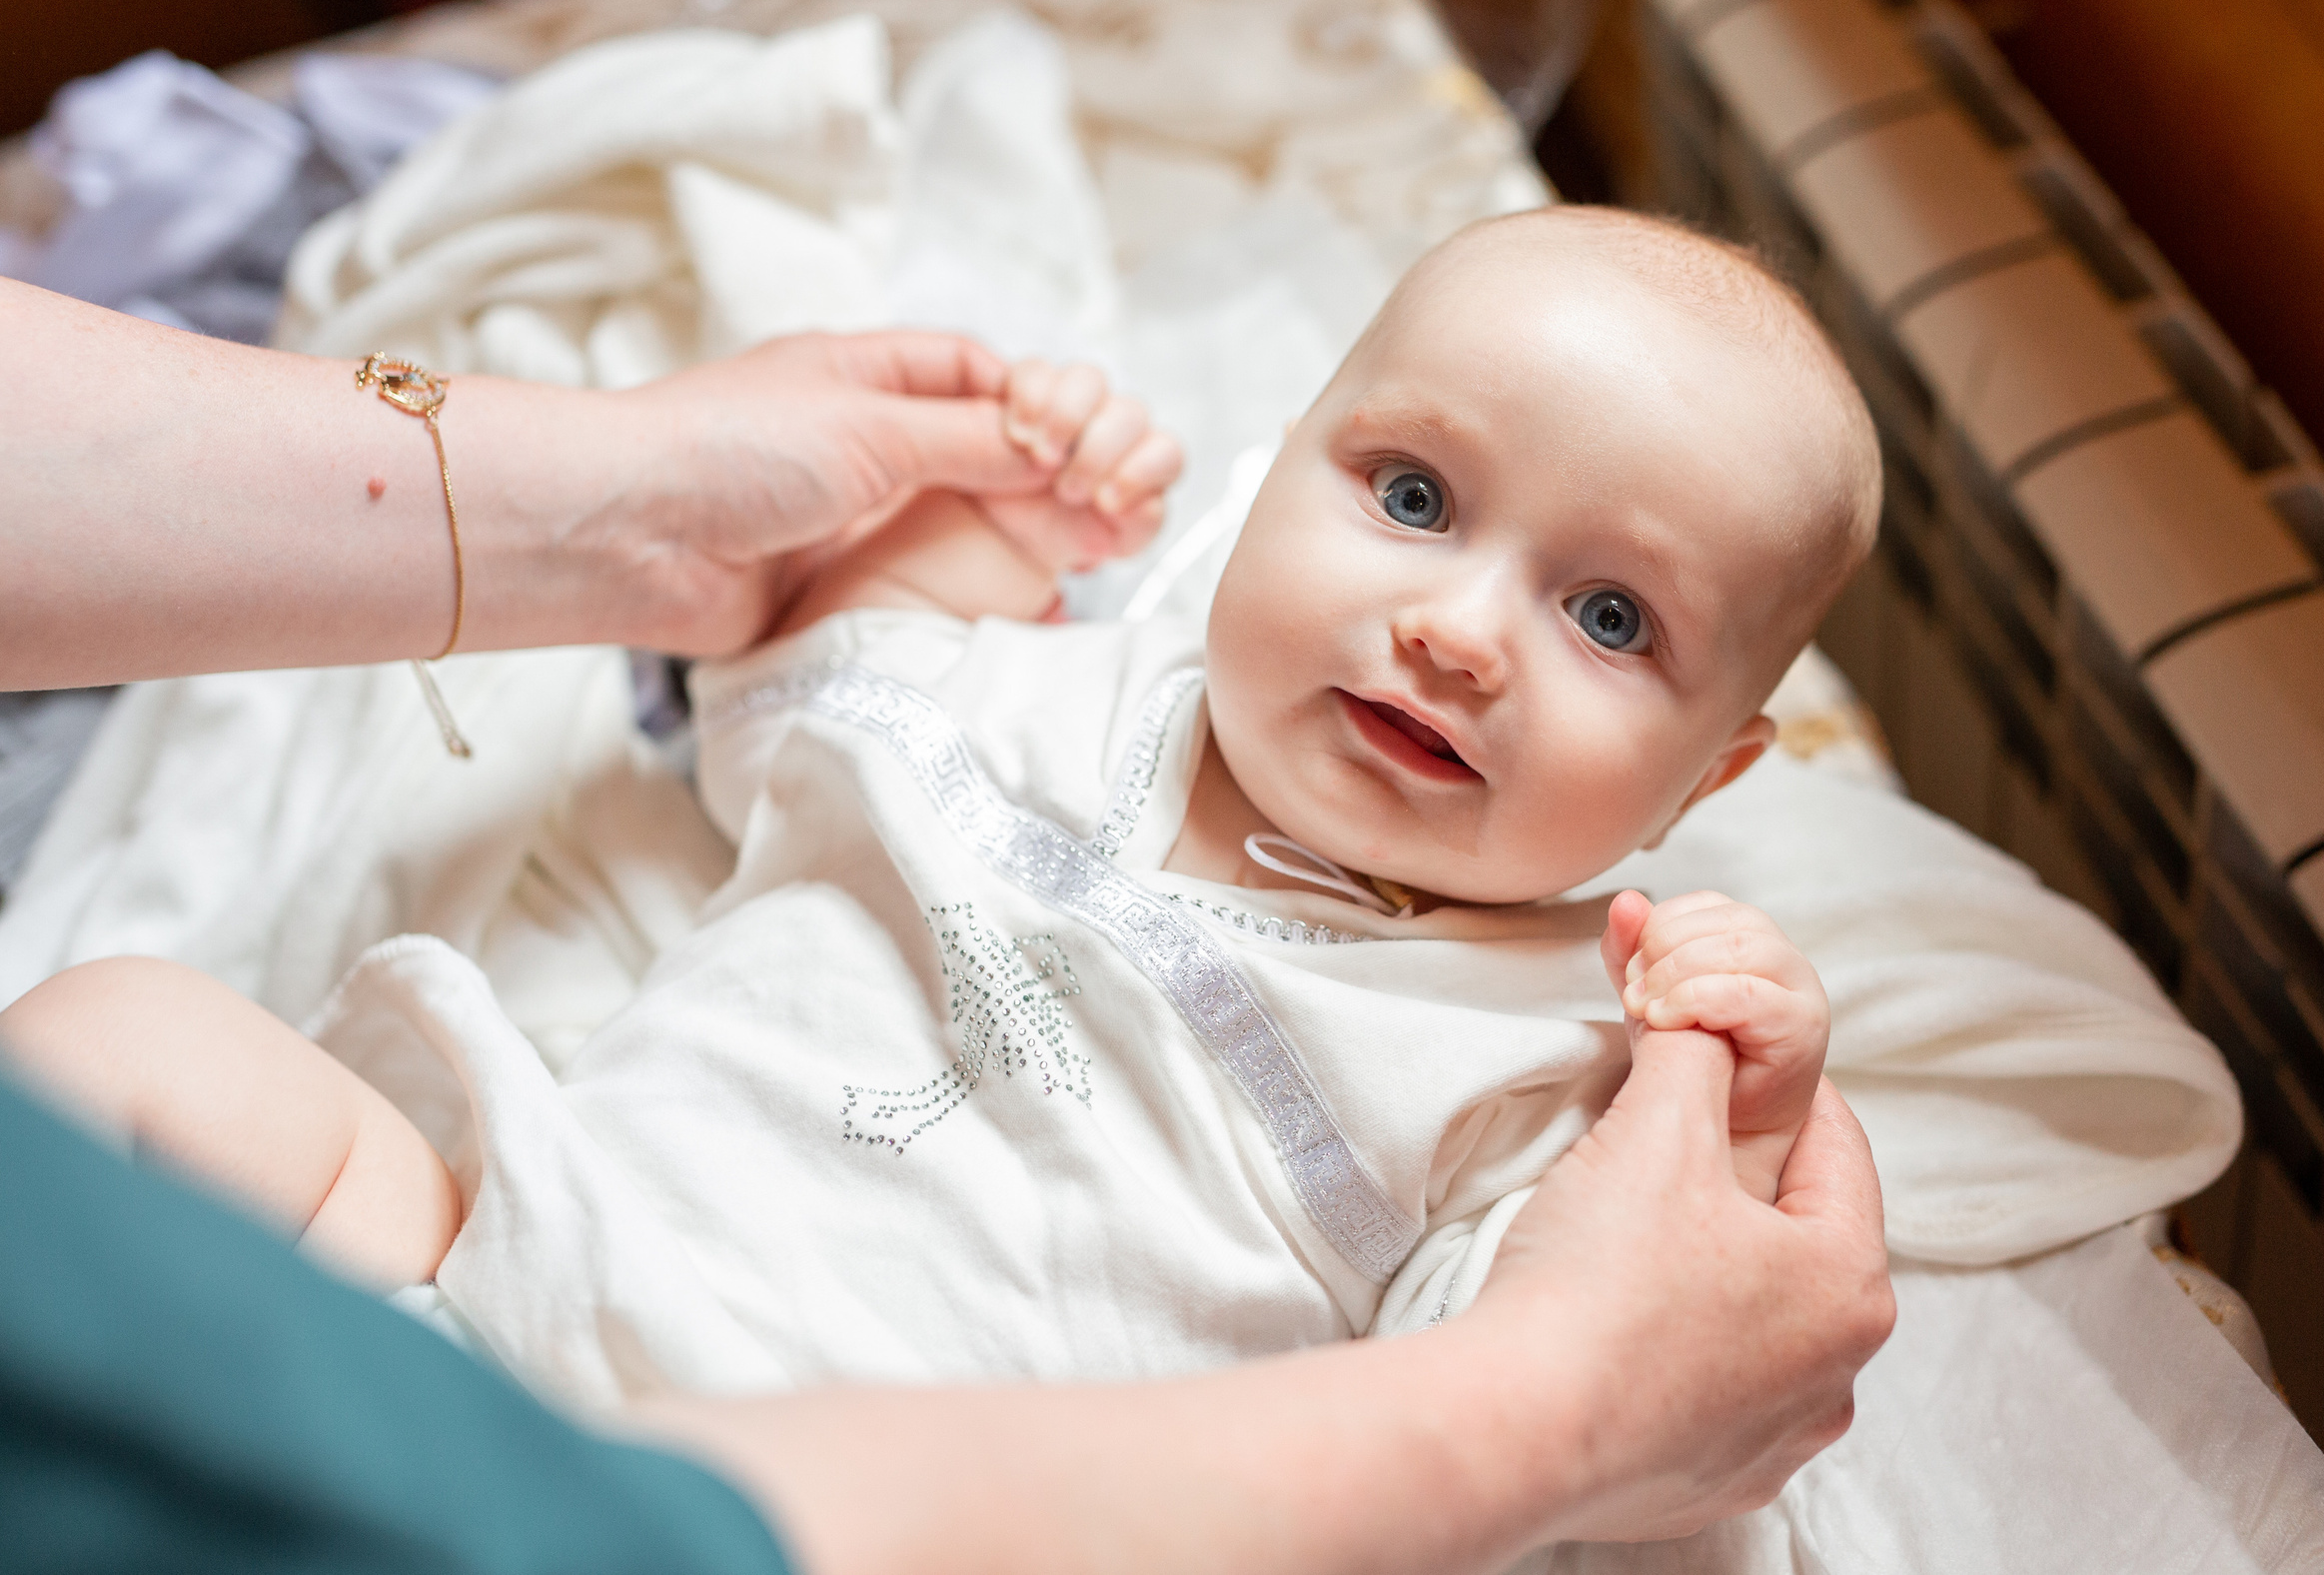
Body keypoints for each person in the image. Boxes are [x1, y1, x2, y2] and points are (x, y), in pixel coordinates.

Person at [0, 268, 1894, 1574]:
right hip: (500, 1266)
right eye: (1409, 493)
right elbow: (807, 699)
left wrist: (1724, 1119)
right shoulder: (1044, 700)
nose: (1463, 629)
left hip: (964, 1519)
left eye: (1612, 620)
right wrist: (995, 515)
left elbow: (1611, 1383)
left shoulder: (1552, 1040)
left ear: (1708, 780)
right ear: (1266, 481)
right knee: (127, 1038)